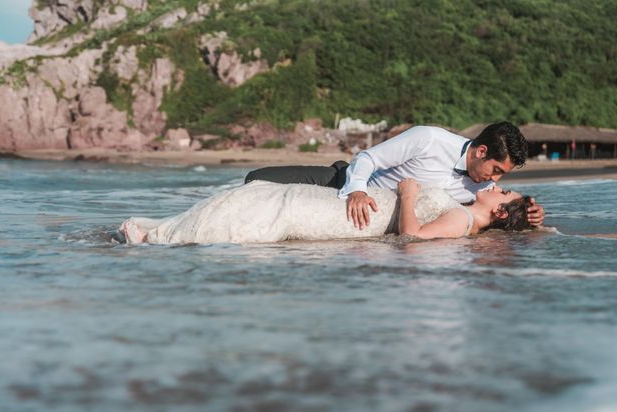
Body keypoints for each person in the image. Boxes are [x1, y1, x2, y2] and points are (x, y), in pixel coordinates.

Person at [245, 122, 545, 228]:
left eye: (502, 176)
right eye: (496, 171)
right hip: (341, 180)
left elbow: (496, 213)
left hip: (380, 215)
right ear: (481, 152)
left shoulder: (479, 189)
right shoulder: (428, 139)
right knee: (255, 178)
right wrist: (357, 191)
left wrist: (531, 217)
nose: (496, 181)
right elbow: (368, 158)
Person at [120, 181, 532, 245]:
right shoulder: (465, 209)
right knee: (263, 198)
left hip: (339, 221)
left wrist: (407, 196)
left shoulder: (462, 221)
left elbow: (414, 239)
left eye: (504, 190)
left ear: (498, 211)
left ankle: (156, 238)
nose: (495, 185)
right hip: (337, 210)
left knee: (271, 209)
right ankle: (160, 234)